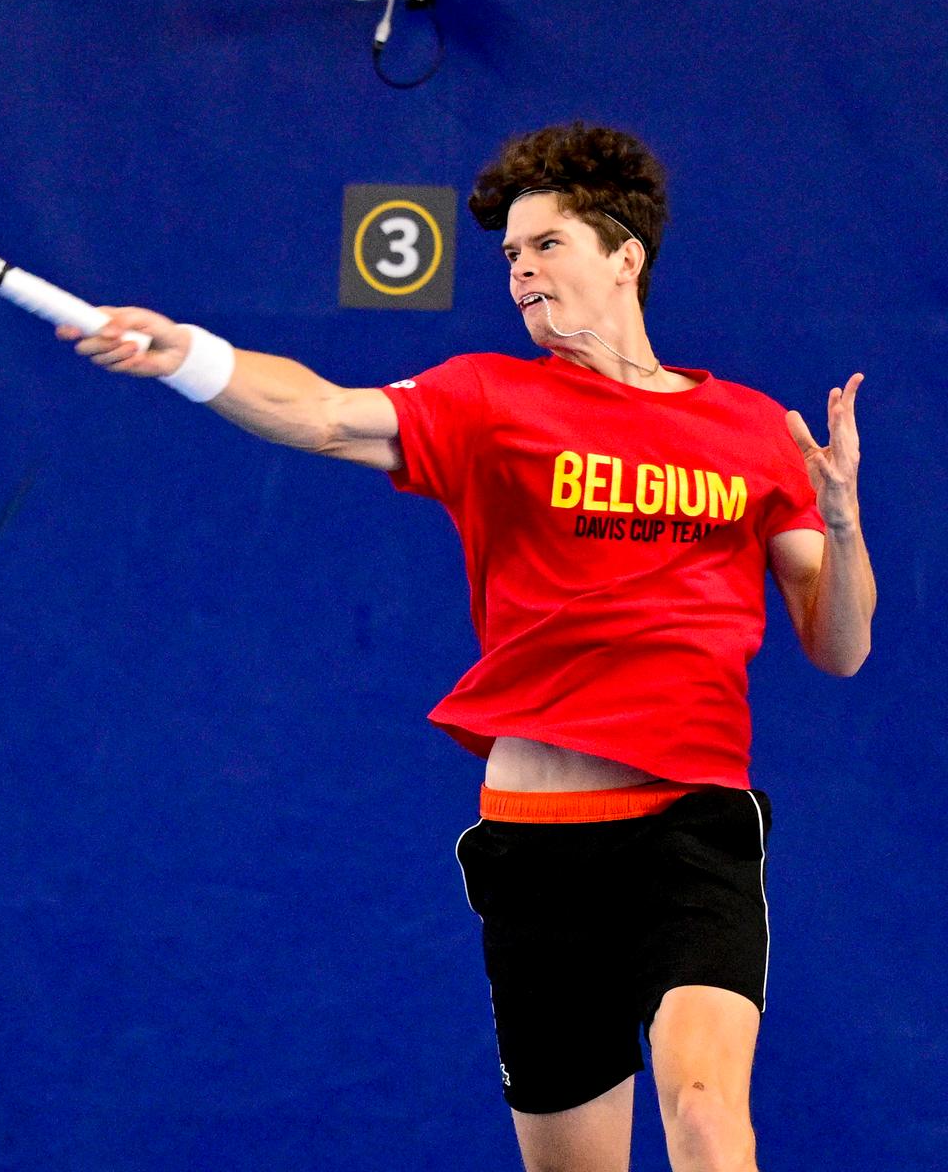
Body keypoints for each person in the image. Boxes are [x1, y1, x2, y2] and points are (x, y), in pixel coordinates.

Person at [60, 122, 875, 1172]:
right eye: (511, 254)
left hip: (691, 826)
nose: (521, 270)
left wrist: (843, 523)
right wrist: (191, 358)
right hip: (537, 845)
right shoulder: (492, 399)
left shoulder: (754, 428)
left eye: (547, 245)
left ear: (626, 256)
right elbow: (323, 414)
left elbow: (839, 644)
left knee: (709, 1114)